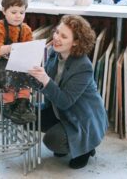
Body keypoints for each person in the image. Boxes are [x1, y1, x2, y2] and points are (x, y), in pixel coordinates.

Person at [28, 15, 108, 169]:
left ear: (76, 42)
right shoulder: (54, 53)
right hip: (59, 110)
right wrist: (31, 74)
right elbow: (49, 87)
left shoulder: (83, 66)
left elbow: (65, 101)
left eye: (63, 36)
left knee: (52, 141)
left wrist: (44, 79)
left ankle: (86, 148)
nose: (56, 38)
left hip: (83, 118)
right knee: (27, 116)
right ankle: (70, 141)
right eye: (57, 32)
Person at [0, 0, 39, 124]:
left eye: (22, 12)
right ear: (4, 11)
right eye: (14, 12)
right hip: (0, 66)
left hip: (19, 64)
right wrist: (12, 48)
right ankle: (8, 105)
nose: (18, 16)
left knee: (30, 73)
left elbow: (29, 50)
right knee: (10, 75)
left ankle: (23, 104)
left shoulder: (26, 29)